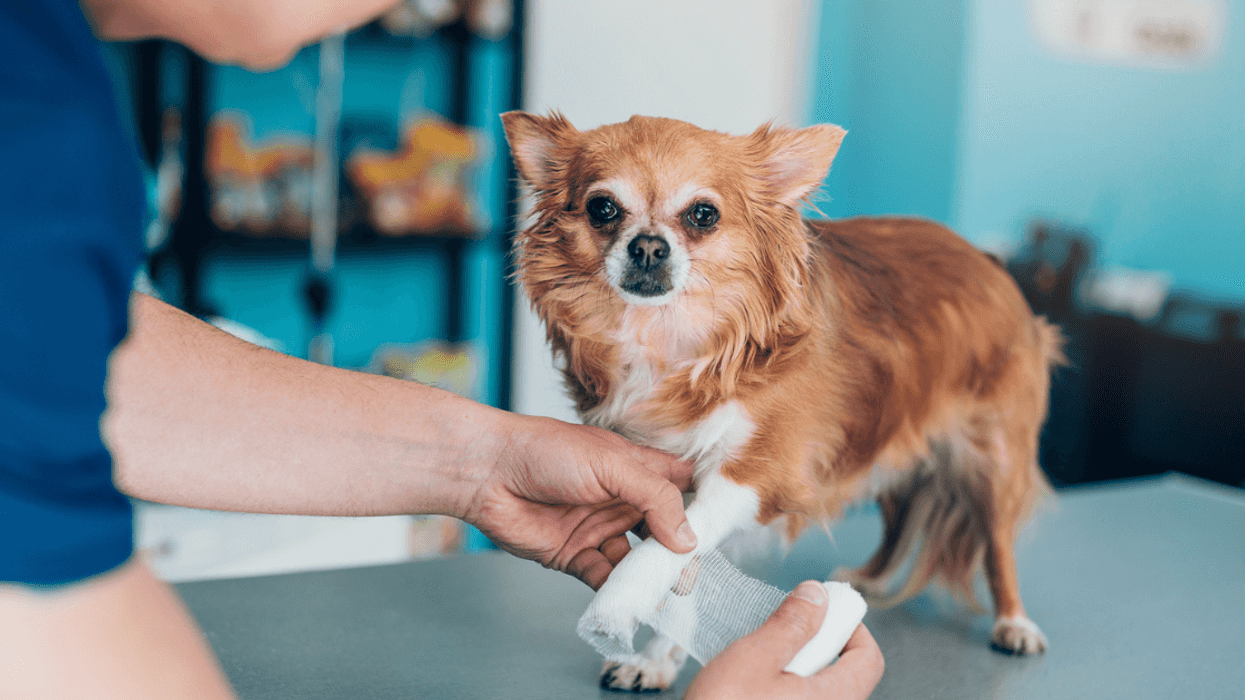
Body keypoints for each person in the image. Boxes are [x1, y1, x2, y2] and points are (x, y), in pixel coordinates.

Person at [0, 1, 884, 698]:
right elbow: (44, 618)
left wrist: (479, 462)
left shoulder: (38, 63)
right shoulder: (35, 111)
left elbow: (63, 368)